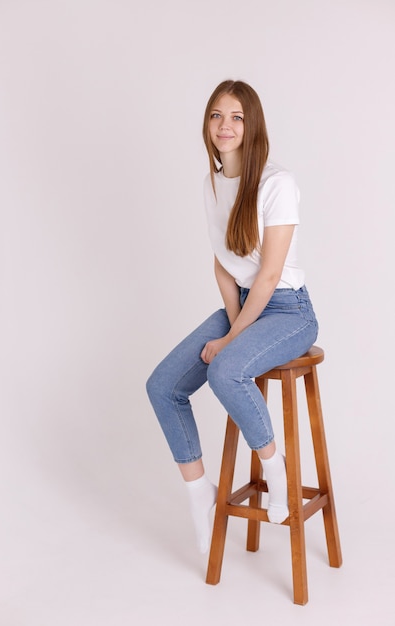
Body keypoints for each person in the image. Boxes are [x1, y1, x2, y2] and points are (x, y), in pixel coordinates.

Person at [146, 79, 318, 554]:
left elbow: (268, 276)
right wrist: (232, 318)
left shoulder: (278, 183)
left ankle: (276, 468)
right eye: (216, 115)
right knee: (163, 386)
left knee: (225, 369)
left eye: (237, 117)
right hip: (243, 303)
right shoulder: (212, 183)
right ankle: (199, 494)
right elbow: (222, 261)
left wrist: (229, 340)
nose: (225, 125)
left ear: (252, 125)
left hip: (289, 310)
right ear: (207, 124)